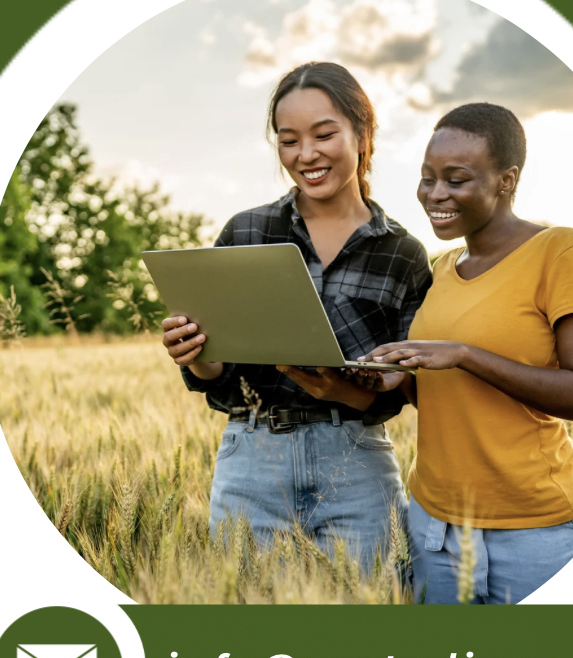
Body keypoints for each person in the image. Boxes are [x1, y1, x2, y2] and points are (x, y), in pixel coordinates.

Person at [160, 61, 431, 565]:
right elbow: (218, 375)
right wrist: (194, 355)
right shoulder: (245, 232)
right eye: (288, 141)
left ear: (363, 131)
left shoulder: (403, 253)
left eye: (324, 134)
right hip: (252, 457)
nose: (306, 155)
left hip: (356, 459)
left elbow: (415, 383)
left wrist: (362, 384)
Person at [363, 102, 573, 605]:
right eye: (427, 178)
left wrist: (465, 354)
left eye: (456, 179)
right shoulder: (441, 269)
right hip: (436, 528)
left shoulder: (559, 251)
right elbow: (450, 394)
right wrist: (400, 379)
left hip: (534, 533)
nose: (436, 194)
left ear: (506, 179)